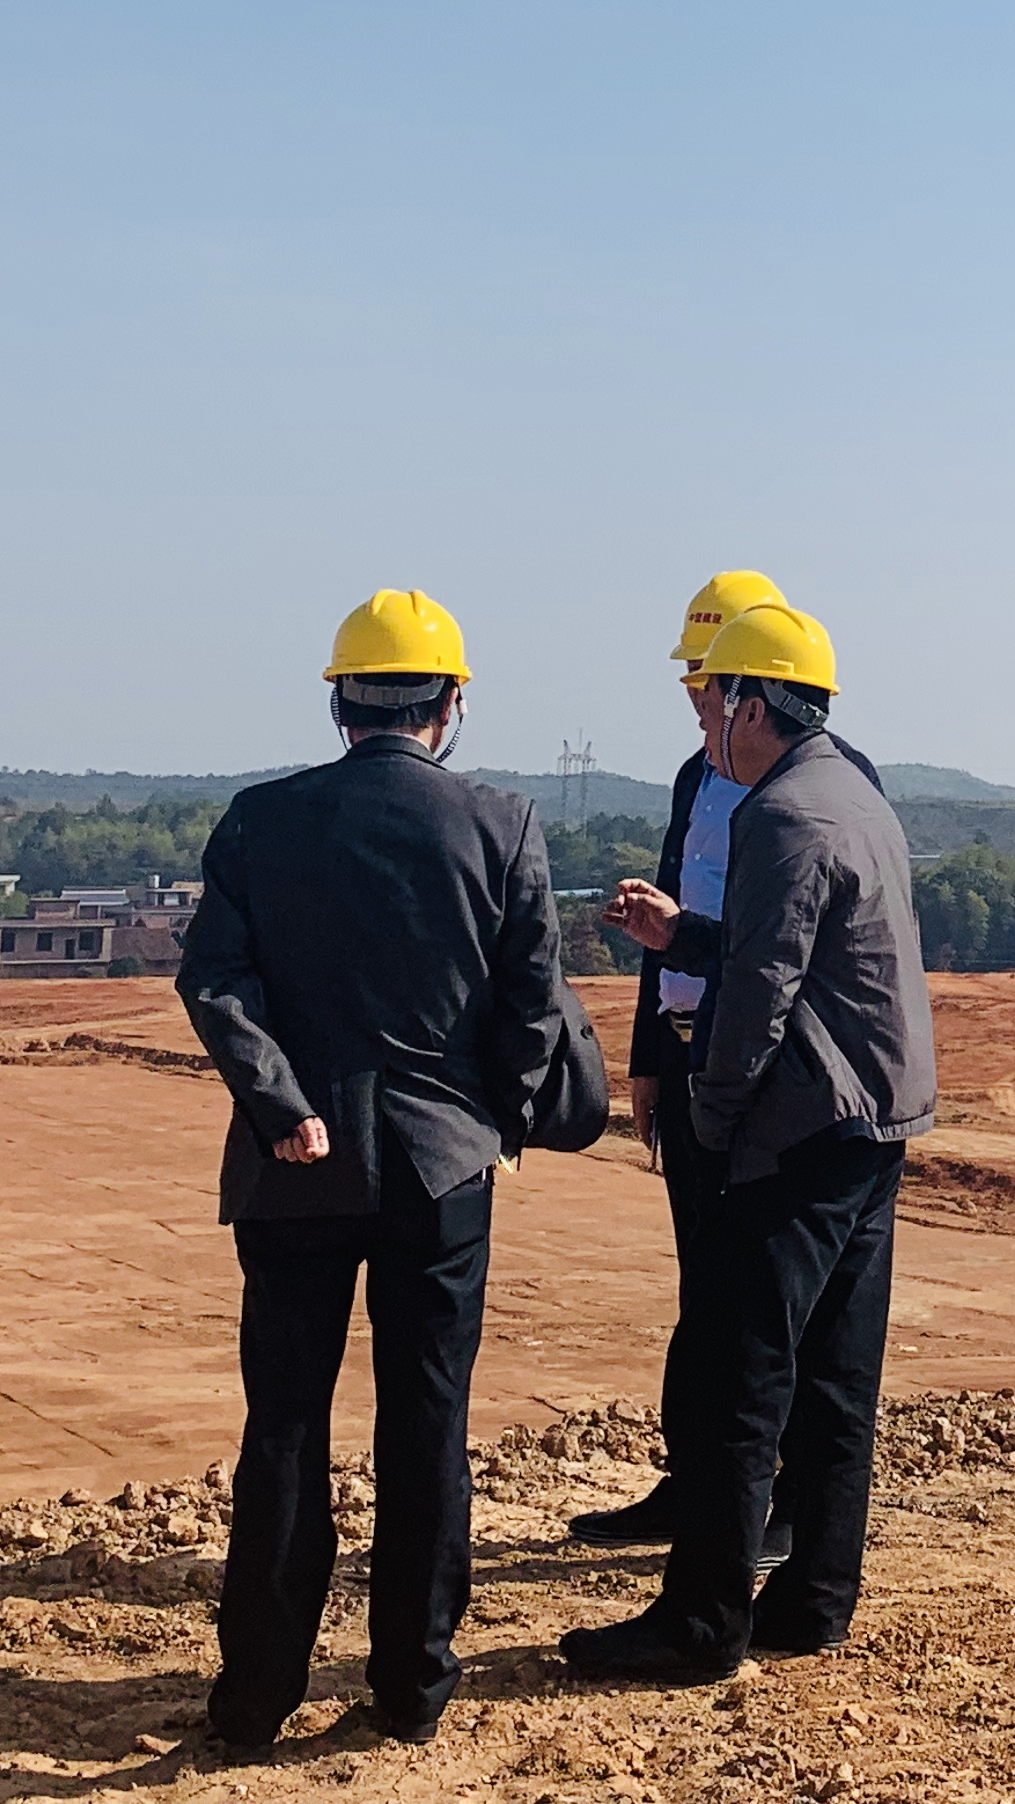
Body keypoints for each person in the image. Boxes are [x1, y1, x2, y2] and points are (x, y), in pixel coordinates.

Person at [178, 588, 606, 1747]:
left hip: (292, 1167)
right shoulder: (501, 825)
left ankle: (255, 1695)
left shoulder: (260, 823)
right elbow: (531, 1011)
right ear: (451, 704)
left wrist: (281, 1104)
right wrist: (498, 1127)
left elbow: (215, 982)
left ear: (338, 701)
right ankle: (411, 1687)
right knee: (428, 1426)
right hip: (441, 1172)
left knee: (283, 1431)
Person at [563, 599, 935, 1684]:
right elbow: (792, 950)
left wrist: (714, 1126)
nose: (704, 715)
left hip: (795, 1131)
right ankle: (814, 1598)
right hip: (872, 1125)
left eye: (713, 693)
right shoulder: (851, 793)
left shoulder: (779, 814)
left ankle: (702, 1623)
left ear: (753, 702)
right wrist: (684, 935)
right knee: (836, 1375)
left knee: (740, 1375)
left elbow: (763, 999)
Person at [566, 564, 778, 1552]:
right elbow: (667, 935)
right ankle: (691, 1480)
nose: (695, 695)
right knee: (705, 1287)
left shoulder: (803, 787)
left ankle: (768, 1500)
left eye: (710, 676)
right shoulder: (696, 780)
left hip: (767, 1075)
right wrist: (649, 1059)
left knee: (765, 1295)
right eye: (692, 677)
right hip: (690, 1063)